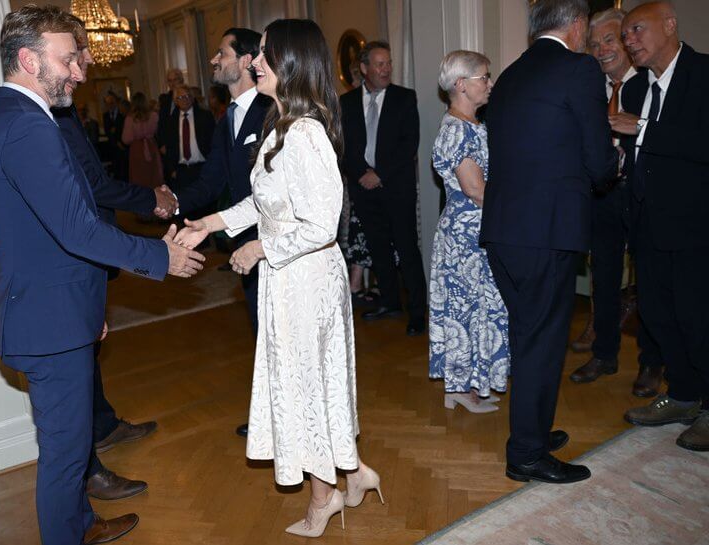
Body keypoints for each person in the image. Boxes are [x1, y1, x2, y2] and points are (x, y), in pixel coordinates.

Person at [0, 6, 205, 544]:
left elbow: (49, 234)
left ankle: (81, 525)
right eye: (67, 59)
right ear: (28, 59)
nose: (78, 71)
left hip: (54, 311)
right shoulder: (25, 126)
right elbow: (77, 229)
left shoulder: (15, 117)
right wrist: (158, 257)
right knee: (64, 455)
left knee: (70, 447)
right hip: (46, 319)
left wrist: (87, 310)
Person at [175, 19, 383, 538]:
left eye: (266, 54)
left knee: (306, 387)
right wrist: (212, 223)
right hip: (289, 278)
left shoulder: (307, 132)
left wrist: (260, 248)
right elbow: (264, 200)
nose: (255, 62)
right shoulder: (281, 122)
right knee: (308, 383)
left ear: (294, 63)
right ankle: (353, 476)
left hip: (306, 278)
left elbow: (321, 223)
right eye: (257, 54)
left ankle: (324, 499)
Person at [480, 0, 617, 484]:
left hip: (503, 231)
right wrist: (610, 165)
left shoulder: (512, 74)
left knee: (527, 336)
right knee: (541, 341)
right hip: (546, 231)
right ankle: (527, 454)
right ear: (577, 27)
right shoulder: (577, 69)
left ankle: (532, 429)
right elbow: (598, 158)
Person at [53, 15, 178, 505]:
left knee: (91, 347)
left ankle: (102, 426)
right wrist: (152, 202)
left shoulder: (62, 111)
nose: (83, 67)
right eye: (74, 56)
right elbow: (94, 187)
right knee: (79, 356)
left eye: (80, 54)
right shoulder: (52, 117)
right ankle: (89, 467)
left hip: (85, 251)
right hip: (76, 252)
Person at [612, 2, 709, 451]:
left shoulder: (704, 75)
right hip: (647, 226)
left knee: (698, 319)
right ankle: (685, 394)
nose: (629, 39)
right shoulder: (634, 91)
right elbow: (636, 156)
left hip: (695, 226)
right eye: (625, 33)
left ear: (669, 25)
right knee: (659, 315)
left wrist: (643, 129)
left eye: (637, 29)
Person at [171, 27, 272, 438]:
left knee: (278, 333)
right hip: (242, 239)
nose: (214, 60)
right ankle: (271, 414)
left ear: (247, 60)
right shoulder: (226, 116)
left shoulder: (271, 111)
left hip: (272, 242)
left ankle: (286, 418)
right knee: (261, 330)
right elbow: (212, 181)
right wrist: (168, 203)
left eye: (221, 52)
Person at [569, 7, 664, 397]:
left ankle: (651, 362)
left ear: (626, 42)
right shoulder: (590, 89)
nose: (602, 50)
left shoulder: (651, 85)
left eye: (610, 40)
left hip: (643, 196)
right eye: (594, 45)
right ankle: (605, 354)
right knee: (604, 278)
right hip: (603, 196)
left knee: (650, 282)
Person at [429, 50, 509, 414]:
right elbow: (476, 190)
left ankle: (472, 382)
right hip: (466, 237)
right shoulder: (456, 130)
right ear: (461, 84)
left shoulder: (474, 125)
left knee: (480, 310)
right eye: (484, 77)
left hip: (477, 233)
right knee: (465, 311)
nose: (490, 83)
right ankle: (460, 387)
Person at [340, 41, 427, 336]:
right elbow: (343, 147)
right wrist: (361, 174)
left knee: (407, 249)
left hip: (395, 187)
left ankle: (418, 313)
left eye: (388, 63)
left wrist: (379, 174)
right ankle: (390, 303)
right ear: (364, 68)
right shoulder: (347, 103)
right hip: (363, 189)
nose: (386, 69)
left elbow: (409, 144)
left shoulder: (405, 98)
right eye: (379, 64)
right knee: (378, 249)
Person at [157, 83, 215, 187]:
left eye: (188, 96)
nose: (185, 99)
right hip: (180, 171)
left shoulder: (205, 116)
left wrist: (211, 166)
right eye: (181, 97)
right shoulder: (170, 122)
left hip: (202, 168)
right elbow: (168, 147)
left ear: (193, 99)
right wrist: (172, 170)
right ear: (175, 101)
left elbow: (214, 142)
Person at [123, 91, 164, 189]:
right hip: (151, 146)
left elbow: (126, 139)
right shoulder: (153, 116)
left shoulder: (130, 118)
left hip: (137, 149)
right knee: (153, 174)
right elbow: (159, 131)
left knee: (139, 176)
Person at [103, 92, 127, 180]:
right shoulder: (105, 115)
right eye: (108, 104)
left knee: (124, 171)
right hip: (112, 147)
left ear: (116, 102)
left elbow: (123, 129)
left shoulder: (122, 114)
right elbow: (107, 131)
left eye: (112, 103)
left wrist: (120, 142)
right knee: (116, 172)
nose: (110, 105)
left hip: (123, 146)